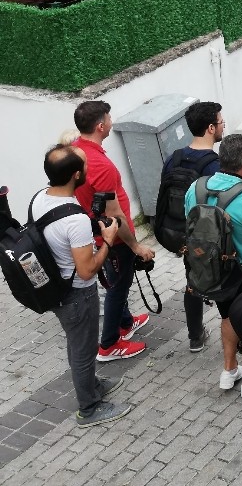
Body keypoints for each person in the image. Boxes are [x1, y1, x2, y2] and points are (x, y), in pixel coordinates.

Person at [36, 144, 132, 426]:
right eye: (84, 164)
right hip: (76, 294)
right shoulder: (74, 220)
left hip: (56, 287)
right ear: (76, 175)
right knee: (83, 350)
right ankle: (88, 408)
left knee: (78, 343)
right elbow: (88, 270)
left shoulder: (40, 198)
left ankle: (93, 384)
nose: (89, 166)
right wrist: (108, 241)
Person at [184, 133, 242, 399]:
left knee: (227, 317)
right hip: (240, 276)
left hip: (210, 272)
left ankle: (229, 370)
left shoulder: (196, 187)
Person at [73, 101, 155, 362]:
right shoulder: (100, 165)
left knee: (116, 280)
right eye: (109, 118)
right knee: (118, 288)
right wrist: (136, 246)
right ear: (100, 126)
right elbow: (115, 216)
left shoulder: (76, 150)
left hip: (98, 232)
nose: (111, 121)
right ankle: (109, 345)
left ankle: (126, 322)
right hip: (115, 239)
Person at [158, 101, 224, 353]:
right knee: (222, 282)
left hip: (178, 234)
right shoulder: (214, 165)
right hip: (206, 238)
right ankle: (236, 333)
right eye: (221, 122)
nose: (223, 126)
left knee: (192, 280)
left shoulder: (173, 159)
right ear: (211, 128)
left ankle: (196, 336)